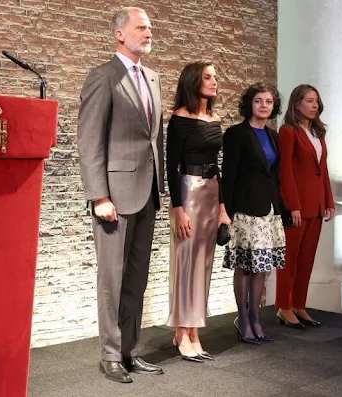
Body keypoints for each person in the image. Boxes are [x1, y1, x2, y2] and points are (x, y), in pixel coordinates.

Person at [77, 6, 165, 383]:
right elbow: (89, 140)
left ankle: (129, 351)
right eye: (141, 28)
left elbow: (153, 139)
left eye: (150, 28)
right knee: (112, 280)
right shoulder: (103, 77)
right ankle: (110, 355)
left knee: (136, 279)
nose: (148, 33)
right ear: (120, 34)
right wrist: (99, 195)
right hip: (114, 197)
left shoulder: (153, 78)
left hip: (147, 194)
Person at [166, 61, 231, 362]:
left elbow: (219, 165)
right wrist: (178, 207)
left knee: (204, 263)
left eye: (215, 77)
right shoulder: (179, 118)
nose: (214, 82)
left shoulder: (215, 118)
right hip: (188, 191)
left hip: (211, 191)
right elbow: (171, 165)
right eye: (207, 77)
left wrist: (222, 209)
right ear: (193, 81)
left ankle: (195, 331)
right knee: (186, 261)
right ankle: (181, 330)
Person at [221, 83, 286, 344]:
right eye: (259, 101)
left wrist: (281, 206)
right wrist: (225, 210)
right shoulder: (237, 134)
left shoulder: (273, 136)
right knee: (245, 267)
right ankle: (243, 321)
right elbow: (229, 174)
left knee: (262, 267)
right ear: (249, 104)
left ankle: (256, 319)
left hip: (269, 210)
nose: (264, 106)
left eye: (269, 102)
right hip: (245, 209)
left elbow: (275, 177)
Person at [276, 84, 335, 328]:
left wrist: (329, 201)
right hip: (297, 207)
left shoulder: (318, 133)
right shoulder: (288, 132)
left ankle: (299, 304)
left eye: (316, 101)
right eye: (309, 101)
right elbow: (285, 171)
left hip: (317, 206)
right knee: (289, 259)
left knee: (307, 259)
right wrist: (292, 205)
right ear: (297, 103)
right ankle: (284, 307)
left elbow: (324, 171)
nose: (314, 105)